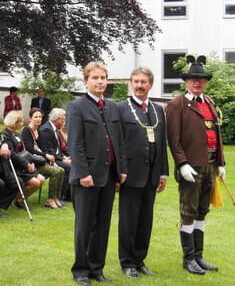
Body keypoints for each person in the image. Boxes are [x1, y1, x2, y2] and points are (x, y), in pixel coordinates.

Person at [67, 61, 127, 286]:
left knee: (102, 225)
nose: (100, 81)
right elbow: (75, 143)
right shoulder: (76, 107)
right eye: (95, 78)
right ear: (86, 82)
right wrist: (83, 172)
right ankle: (81, 270)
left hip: (108, 177)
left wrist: (121, 171)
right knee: (84, 225)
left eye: (103, 77)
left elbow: (118, 141)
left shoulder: (112, 106)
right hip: (86, 178)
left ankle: (96, 269)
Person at [166, 55, 225, 275]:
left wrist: (221, 162)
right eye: (193, 79)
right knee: (188, 212)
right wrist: (181, 163)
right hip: (191, 167)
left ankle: (199, 256)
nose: (197, 82)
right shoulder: (176, 105)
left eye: (201, 79)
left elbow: (216, 134)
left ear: (206, 82)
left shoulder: (210, 103)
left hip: (209, 166)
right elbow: (173, 139)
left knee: (202, 211)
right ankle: (188, 258)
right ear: (186, 81)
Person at [117, 67, 169, 278]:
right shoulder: (120, 108)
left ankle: (140, 259)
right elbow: (117, 143)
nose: (139, 85)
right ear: (131, 83)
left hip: (151, 175)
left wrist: (163, 173)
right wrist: (119, 173)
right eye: (135, 81)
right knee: (128, 221)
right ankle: (127, 262)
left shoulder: (158, 110)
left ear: (150, 84)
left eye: (143, 82)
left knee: (146, 221)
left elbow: (162, 143)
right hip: (130, 175)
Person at [22, 108, 66, 209]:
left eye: (40, 117)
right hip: (33, 163)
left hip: (41, 161)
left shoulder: (39, 131)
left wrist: (50, 160)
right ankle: (50, 200)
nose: (38, 119)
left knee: (61, 170)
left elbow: (44, 149)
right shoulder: (26, 131)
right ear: (30, 118)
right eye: (36, 117)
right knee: (56, 172)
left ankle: (55, 198)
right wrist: (46, 155)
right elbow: (29, 149)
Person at [2, 111, 45, 209]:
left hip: (24, 164)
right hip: (15, 166)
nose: (22, 124)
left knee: (41, 179)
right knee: (36, 182)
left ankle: (19, 199)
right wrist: (26, 164)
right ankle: (18, 199)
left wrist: (30, 163)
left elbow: (25, 151)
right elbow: (13, 155)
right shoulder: (5, 135)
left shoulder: (17, 134)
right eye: (21, 122)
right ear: (15, 122)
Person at [39, 108, 71, 201]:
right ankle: (62, 195)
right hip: (48, 159)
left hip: (56, 157)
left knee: (73, 164)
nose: (64, 122)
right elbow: (48, 150)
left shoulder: (54, 129)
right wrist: (62, 159)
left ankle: (69, 194)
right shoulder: (47, 129)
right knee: (69, 167)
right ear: (57, 120)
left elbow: (57, 148)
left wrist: (64, 157)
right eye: (63, 119)